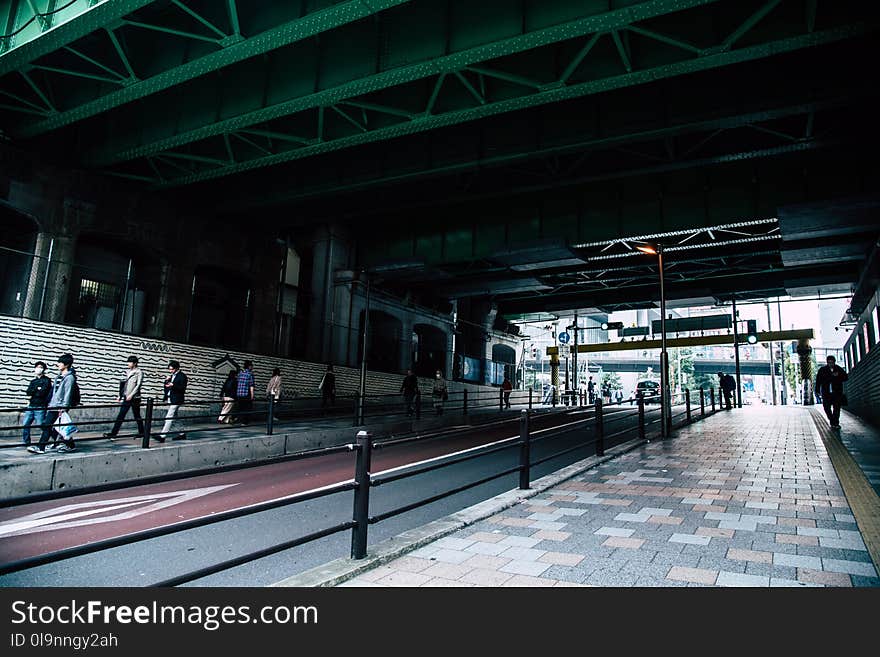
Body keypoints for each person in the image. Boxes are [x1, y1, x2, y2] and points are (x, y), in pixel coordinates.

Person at [30, 354, 77, 454]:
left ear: (67, 364)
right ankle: (70, 445)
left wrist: (63, 407)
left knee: (47, 425)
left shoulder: (69, 378)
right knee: (56, 427)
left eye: (60, 362)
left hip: (59, 406)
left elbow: (67, 393)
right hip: (53, 405)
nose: (58, 364)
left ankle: (41, 447)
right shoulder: (59, 376)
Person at [103, 355, 145, 440]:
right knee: (121, 415)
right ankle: (113, 434)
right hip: (126, 396)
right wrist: (120, 395)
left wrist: (131, 395)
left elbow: (138, 385)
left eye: (130, 362)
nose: (128, 364)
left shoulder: (139, 372)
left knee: (136, 415)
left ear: (135, 363)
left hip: (134, 398)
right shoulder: (127, 371)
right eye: (128, 362)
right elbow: (124, 385)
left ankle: (142, 432)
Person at [22, 361, 52, 447]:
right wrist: (37, 389)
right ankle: (26, 442)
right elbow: (28, 392)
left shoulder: (47, 380)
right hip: (31, 405)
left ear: (44, 369)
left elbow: (43, 393)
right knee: (26, 424)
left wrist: (35, 391)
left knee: (41, 425)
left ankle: (54, 437)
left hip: (40, 406)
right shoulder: (33, 381)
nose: (38, 369)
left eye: (40, 367)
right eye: (37, 367)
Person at [816, 355, 848, 429]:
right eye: (829, 362)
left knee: (836, 408)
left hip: (837, 392)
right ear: (827, 362)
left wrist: (838, 375)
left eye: (832, 362)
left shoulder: (838, 369)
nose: (831, 364)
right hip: (826, 392)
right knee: (826, 407)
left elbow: (846, 377)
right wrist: (817, 390)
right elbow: (818, 380)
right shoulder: (823, 370)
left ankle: (835, 423)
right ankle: (832, 420)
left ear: (834, 362)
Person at [158, 360, 188, 442]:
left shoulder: (182, 376)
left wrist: (173, 385)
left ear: (177, 368)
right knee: (175, 418)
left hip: (177, 399)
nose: (170, 371)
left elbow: (182, 388)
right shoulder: (171, 376)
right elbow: (166, 387)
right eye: (170, 369)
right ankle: (182, 434)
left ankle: (162, 436)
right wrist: (166, 381)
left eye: (172, 369)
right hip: (171, 398)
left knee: (169, 417)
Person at [235, 360, 255, 425]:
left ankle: (235, 418)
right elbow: (251, 386)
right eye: (252, 366)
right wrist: (252, 395)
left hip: (239, 393)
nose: (252, 367)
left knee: (240, 407)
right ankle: (244, 422)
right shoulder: (250, 374)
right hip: (246, 393)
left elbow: (237, 382)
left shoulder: (240, 373)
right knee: (247, 408)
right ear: (249, 366)